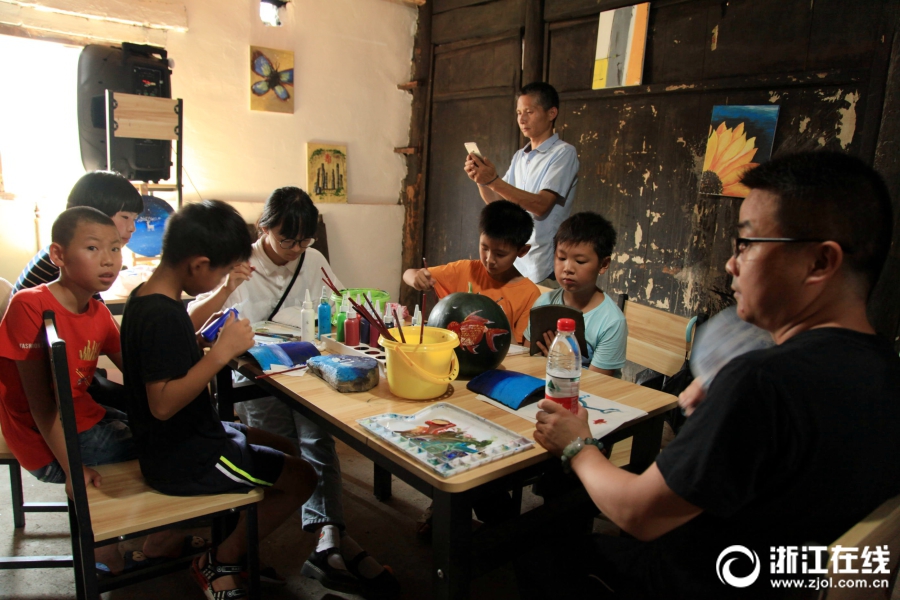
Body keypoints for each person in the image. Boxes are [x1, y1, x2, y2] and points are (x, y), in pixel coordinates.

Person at [522, 151, 900, 599]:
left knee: (540, 556)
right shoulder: (884, 371)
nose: (731, 264)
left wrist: (578, 445)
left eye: (748, 244)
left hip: (696, 581)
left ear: (820, 262)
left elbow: (639, 513)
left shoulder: (764, 382)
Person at [187, 187, 400, 598]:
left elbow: (339, 303)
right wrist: (226, 290)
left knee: (319, 436)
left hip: (307, 368)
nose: (296, 249)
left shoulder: (312, 259)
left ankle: (328, 536)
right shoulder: (239, 262)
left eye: (305, 240)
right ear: (264, 228)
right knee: (280, 449)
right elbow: (196, 322)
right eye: (287, 240)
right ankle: (270, 543)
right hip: (256, 375)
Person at [120, 200, 317, 599]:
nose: (224, 278)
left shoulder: (148, 296)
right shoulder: (160, 315)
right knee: (303, 478)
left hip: (184, 438)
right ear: (198, 264)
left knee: (283, 446)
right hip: (185, 456)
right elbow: (162, 404)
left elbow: (178, 331)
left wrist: (226, 291)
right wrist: (220, 353)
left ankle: (236, 543)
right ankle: (221, 560)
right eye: (222, 272)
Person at [0, 207, 194, 574]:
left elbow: (137, 370)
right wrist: (73, 470)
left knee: (172, 428)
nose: (109, 261)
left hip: (84, 418)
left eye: (115, 249)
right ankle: (120, 548)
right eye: (93, 248)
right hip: (41, 439)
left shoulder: (97, 312)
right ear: (58, 255)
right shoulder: (29, 306)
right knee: (181, 448)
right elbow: (40, 406)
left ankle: (145, 537)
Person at [464, 82, 579, 286]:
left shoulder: (563, 153)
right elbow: (498, 203)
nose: (522, 119)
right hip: (516, 261)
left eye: (529, 112)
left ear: (551, 113)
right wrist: (482, 181)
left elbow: (541, 205)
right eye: (518, 113)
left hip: (543, 263)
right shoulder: (520, 156)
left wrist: (493, 181)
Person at [403, 200, 540, 344]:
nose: (489, 259)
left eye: (500, 254)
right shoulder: (465, 270)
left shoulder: (529, 295)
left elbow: (520, 349)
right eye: (484, 248)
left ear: (522, 251)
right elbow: (409, 273)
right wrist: (417, 278)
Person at [524, 212, 627, 377]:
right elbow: (527, 359)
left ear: (603, 264)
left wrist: (561, 364)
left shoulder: (612, 322)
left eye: (580, 261)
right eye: (561, 258)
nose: (567, 268)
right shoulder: (544, 304)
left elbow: (598, 383)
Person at [14, 170, 143, 294]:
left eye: (134, 219)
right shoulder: (65, 259)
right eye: (125, 217)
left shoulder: (70, 251)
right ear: (94, 214)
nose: (132, 228)